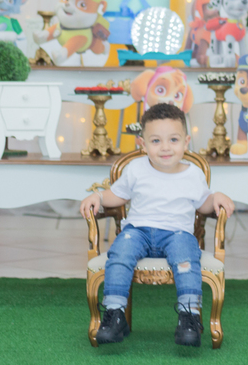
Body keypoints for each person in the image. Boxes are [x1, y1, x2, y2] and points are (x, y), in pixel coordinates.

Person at [80, 103, 235, 347]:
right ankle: (114, 314)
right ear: (142, 144)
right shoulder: (136, 169)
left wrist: (216, 199)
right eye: (155, 141)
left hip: (177, 234)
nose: (165, 148)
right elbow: (117, 195)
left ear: (186, 142)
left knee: (186, 260)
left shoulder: (192, 174)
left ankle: (189, 316)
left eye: (173, 140)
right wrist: (98, 197)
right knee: (119, 255)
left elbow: (203, 203)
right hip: (138, 232)